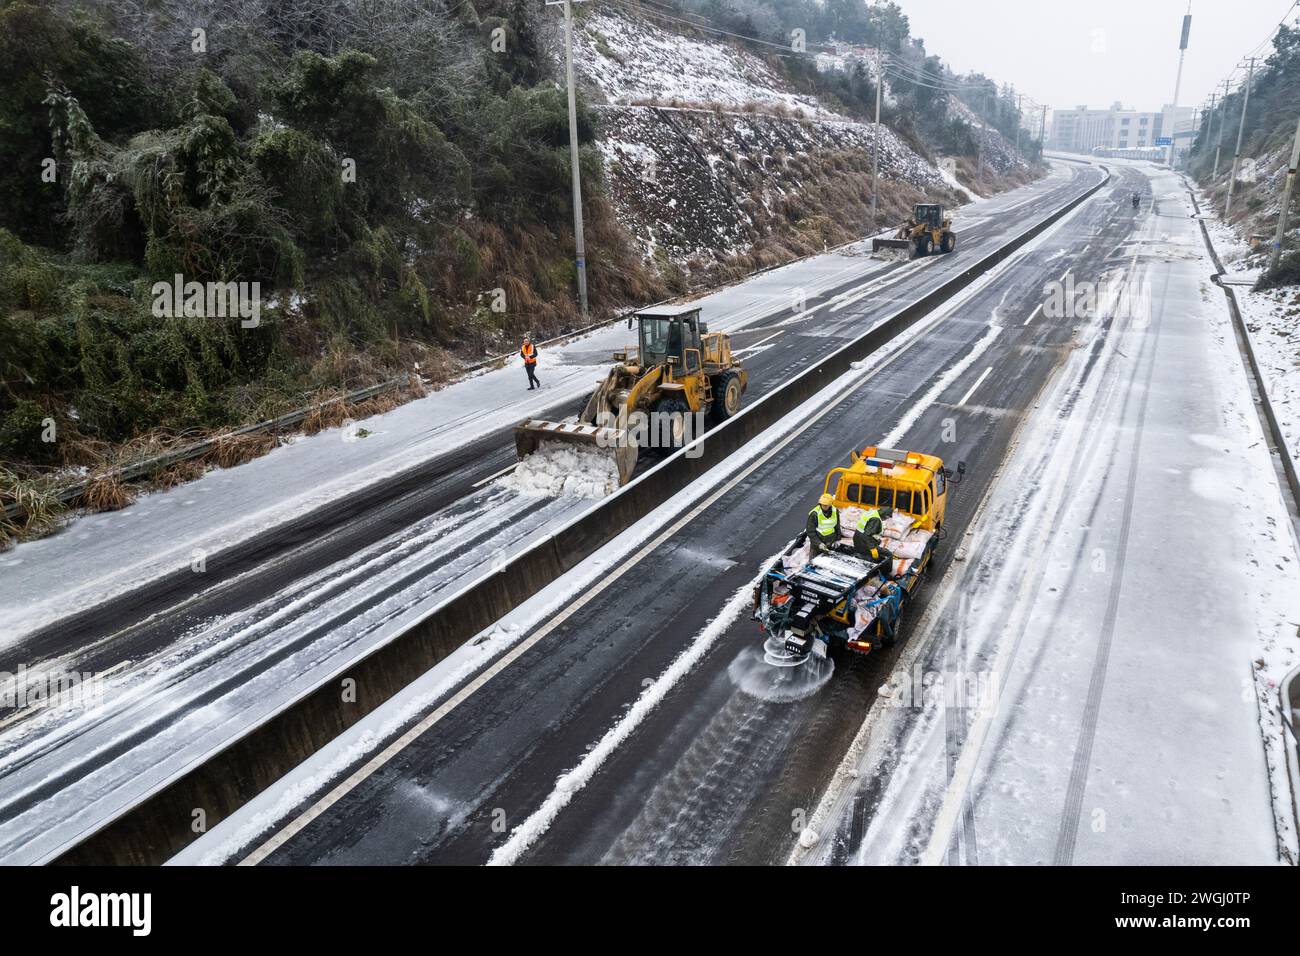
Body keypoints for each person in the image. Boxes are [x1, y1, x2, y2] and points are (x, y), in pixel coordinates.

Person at [854, 504, 896, 577]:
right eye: (887, 517)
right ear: (885, 515)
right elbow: (867, 535)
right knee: (888, 554)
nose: (886, 519)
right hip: (863, 542)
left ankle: (868, 556)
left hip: (858, 538)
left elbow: (868, 531)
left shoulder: (873, 512)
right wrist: (872, 548)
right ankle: (886, 574)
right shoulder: (875, 519)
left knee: (879, 542)